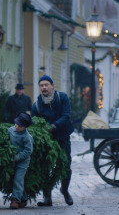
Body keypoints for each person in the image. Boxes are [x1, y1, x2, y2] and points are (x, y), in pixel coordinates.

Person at [31, 75, 74, 207]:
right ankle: (47, 197)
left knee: (66, 166)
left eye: (46, 85)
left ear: (52, 86)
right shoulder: (37, 105)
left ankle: (65, 190)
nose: (44, 87)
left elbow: (66, 116)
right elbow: (34, 123)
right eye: (41, 85)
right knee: (45, 168)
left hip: (63, 137)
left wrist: (54, 126)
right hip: (47, 141)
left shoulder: (62, 98)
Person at [8, 113, 34, 209]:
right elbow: (6, 139)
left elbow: (28, 151)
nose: (17, 127)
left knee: (18, 178)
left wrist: (17, 157)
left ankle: (15, 200)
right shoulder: (11, 130)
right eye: (16, 124)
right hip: (12, 159)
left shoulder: (27, 137)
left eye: (20, 126)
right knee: (13, 178)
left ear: (25, 127)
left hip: (23, 161)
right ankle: (23, 198)